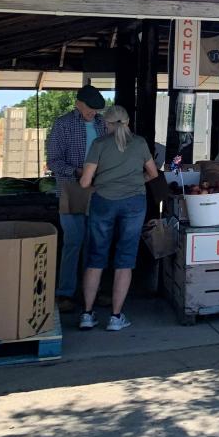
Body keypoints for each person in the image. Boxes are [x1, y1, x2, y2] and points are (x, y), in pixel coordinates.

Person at [78, 105, 159, 331]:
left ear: (107, 124)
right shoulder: (140, 143)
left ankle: (86, 314)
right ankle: (115, 317)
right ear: (128, 122)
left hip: (103, 202)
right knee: (125, 259)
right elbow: (153, 174)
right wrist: (134, 182)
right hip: (134, 203)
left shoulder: (99, 145)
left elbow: (85, 182)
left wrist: (102, 183)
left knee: (96, 257)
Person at [45, 85, 107, 313]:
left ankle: (93, 291)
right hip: (71, 190)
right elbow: (53, 161)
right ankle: (65, 293)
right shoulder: (63, 125)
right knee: (73, 242)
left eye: (97, 110)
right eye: (90, 108)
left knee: (96, 243)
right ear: (78, 103)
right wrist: (77, 172)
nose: (93, 113)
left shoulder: (102, 124)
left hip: (99, 191)